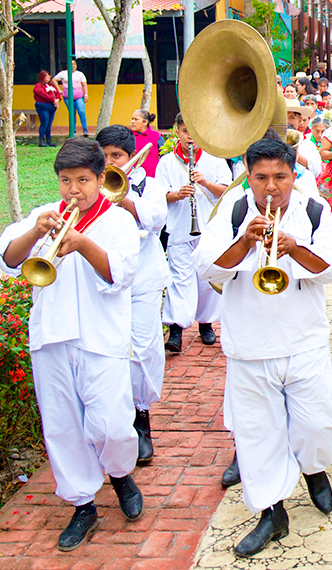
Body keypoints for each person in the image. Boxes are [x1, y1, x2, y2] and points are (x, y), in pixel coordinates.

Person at [193, 138, 332, 558]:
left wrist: (295, 247)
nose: (271, 187)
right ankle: (272, 512)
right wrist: (244, 242)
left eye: (280, 176)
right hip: (249, 345)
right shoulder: (234, 208)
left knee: (320, 423)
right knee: (258, 435)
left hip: (304, 341)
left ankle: (314, 468)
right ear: (249, 175)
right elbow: (203, 265)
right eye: (261, 177)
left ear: (294, 175)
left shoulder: (314, 210)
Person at [0, 137, 143, 550]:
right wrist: (34, 233)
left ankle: (119, 474)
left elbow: (122, 274)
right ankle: (82, 504)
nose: (73, 190)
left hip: (101, 337)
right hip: (51, 336)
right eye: (65, 181)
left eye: (82, 180)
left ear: (101, 179)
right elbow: (9, 259)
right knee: (61, 424)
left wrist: (82, 243)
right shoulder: (44, 215)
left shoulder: (118, 222)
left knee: (112, 424)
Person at [97, 125, 168, 464]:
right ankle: (116, 419)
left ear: (131, 157)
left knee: (143, 345)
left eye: (117, 156)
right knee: (111, 347)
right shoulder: (90, 187)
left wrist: (122, 198)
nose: (111, 162)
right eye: (106, 156)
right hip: (107, 279)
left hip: (144, 277)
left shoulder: (150, 185)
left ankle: (142, 418)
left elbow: (156, 219)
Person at [157, 113, 233, 352]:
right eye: (185, 131)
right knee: (180, 278)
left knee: (206, 278)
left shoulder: (214, 159)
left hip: (209, 227)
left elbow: (227, 190)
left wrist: (205, 183)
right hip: (180, 227)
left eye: (194, 132)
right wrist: (176, 194)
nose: (190, 137)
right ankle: (176, 329)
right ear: (177, 133)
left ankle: (206, 324)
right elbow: (160, 195)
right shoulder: (167, 162)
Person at [54, 60, 89, 136]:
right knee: (72, 113)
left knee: (81, 111)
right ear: (67, 65)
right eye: (71, 64)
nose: (73, 66)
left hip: (79, 96)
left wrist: (86, 94)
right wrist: (59, 89)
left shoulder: (79, 74)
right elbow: (54, 80)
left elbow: (84, 85)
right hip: (67, 97)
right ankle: (72, 130)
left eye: (74, 64)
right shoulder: (63, 73)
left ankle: (85, 129)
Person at [130, 109, 163, 177]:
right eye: (132, 119)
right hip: (131, 176)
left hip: (152, 177)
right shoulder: (128, 135)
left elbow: (164, 156)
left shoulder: (156, 136)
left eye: (136, 119)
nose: (132, 122)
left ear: (145, 122)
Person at [33, 70, 61, 147]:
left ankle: (48, 140)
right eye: (46, 76)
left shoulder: (51, 86)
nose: (49, 77)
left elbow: (58, 94)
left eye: (49, 75)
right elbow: (42, 94)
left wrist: (57, 99)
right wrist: (53, 99)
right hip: (43, 106)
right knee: (44, 123)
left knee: (49, 124)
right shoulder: (38, 86)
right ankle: (41, 140)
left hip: (52, 107)